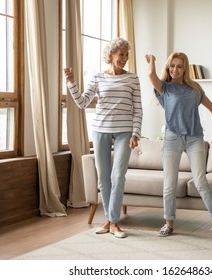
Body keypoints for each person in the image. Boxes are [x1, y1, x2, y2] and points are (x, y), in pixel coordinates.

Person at [145, 52, 212, 239]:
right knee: (169, 185)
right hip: (172, 139)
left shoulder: (194, 89)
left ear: (185, 69)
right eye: (172, 66)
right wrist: (152, 61)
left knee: (200, 181)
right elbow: (151, 75)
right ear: (168, 67)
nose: (175, 69)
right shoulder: (164, 88)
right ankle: (169, 224)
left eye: (179, 66)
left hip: (194, 139)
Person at [64, 38, 143, 238]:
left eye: (126, 54)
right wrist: (71, 83)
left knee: (118, 176)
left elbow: (138, 109)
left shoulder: (133, 78)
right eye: (121, 54)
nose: (124, 58)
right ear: (111, 55)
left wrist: (136, 133)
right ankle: (109, 220)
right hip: (100, 130)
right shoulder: (98, 77)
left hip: (125, 131)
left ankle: (113, 221)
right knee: (104, 178)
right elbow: (82, 103)